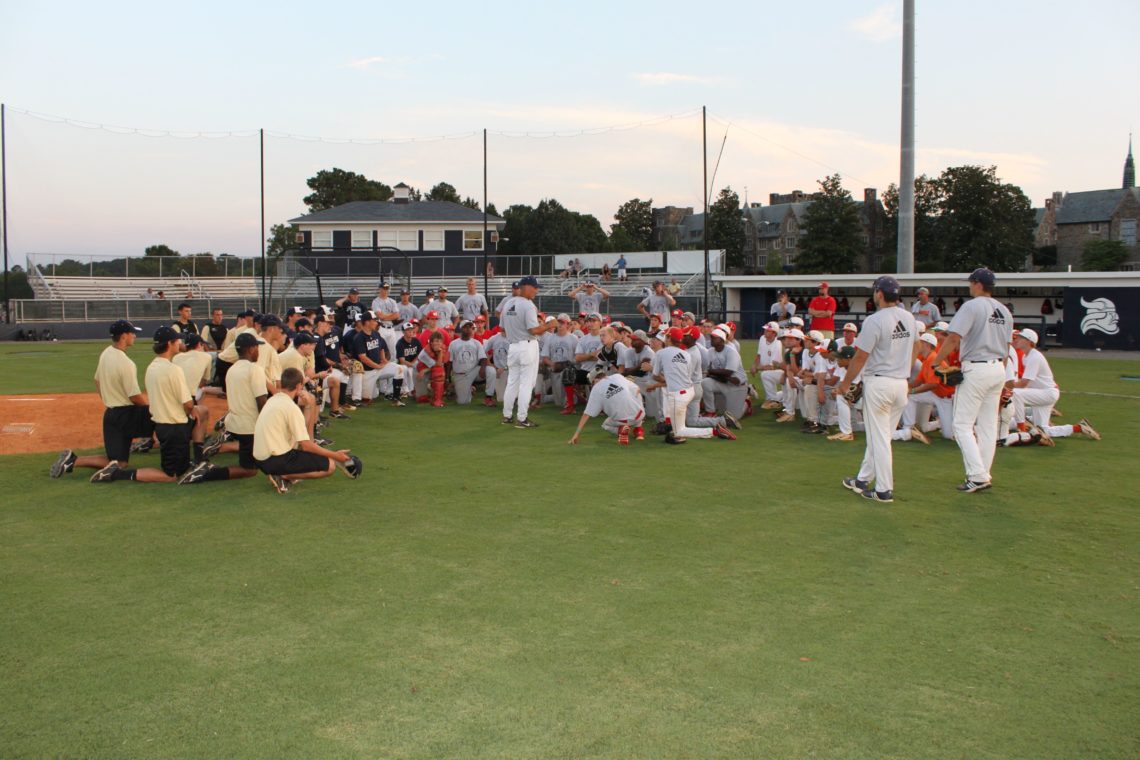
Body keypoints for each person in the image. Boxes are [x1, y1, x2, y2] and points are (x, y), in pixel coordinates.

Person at [88, 327, 219, 485]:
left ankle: (190, 457)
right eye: (176, 340)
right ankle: (118, 473)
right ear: (169, 344)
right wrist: (191, 411)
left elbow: (98, 381)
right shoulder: (172, 369)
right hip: (171, 425)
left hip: (146, 420)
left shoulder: (151, 366)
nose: (179, 343)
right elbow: (187, 403)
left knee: (123, 459)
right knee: (171, 475)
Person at [835, 276, 920, 503]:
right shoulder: (909, 317)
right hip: (900, 383)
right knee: (880, 437)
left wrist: (845, 384)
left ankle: (883, 489)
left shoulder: (875, 320)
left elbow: (861, 356)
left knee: (879, 439)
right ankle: (863, 479)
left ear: (879, 294)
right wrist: (905, 368)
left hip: (880, 383)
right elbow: (917, 346)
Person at [932, 268, 1013, 494]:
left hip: (976, 367)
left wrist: (936, 362)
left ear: (977, 284)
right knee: (988, 426)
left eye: (971, 282)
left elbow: (954, 337)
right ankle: (982, 473)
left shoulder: (971, 306)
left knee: (961, 425)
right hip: (997, 367)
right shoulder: (1004, 310)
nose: (970, 286)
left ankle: (977, 475)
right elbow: (1007, 348)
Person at [51, 320, 154, 479]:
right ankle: (154, 445)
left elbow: (97, 381)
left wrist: (107, 398)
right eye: (132, 333)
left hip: (111, 414)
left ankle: (73, 460)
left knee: (119, 464)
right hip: (127, 415)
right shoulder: (127, 363)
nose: (134, 336)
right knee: (160, 416)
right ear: (124, 336)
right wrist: (149, 409)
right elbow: (134, 396)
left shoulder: (106, 352)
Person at [254, 368, 360, 494]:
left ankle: (282, 474)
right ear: (299, 386)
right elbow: (307, 445)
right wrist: (335, 456)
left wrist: (308, 406)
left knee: (300, 445)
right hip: (274, 459)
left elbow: (304, 435)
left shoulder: (274, 399)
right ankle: (284, 476)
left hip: (260, 458)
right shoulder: (291, 408)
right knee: (330, 466)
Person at [648, 327, 735, 444]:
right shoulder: (686, 354)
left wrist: (663, 379)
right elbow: (685, 376)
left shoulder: (661, 353)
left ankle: (715, 431)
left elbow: (655, 375)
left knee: (680, 430)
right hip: (689, 391)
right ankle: (675, 431)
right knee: (684, 423)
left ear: (669, 339)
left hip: (678, 395)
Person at [500, 275, 556, 427]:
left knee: (512, 383)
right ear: (526, 287)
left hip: (512, 346)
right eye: (535, 287)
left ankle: (507, 416)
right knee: (526, 384)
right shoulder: (528, 305)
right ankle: (522, 418)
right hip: (527, 345)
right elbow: (534, 330)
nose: (537, 291)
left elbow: (502, 328)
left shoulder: (508, 303)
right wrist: (549, 325)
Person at [568, 368, 646, 445]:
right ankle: (639, 430)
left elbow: (587, 414)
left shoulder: (596, 389)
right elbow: (637, 389)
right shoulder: (617, 376)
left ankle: (621, 431)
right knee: (635, 393)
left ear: (594, 380)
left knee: (605, 425)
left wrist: (576, 434)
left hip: (624, 421)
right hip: (640, 414)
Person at [752, 322, 785, 410]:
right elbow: (759, 355)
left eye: (767, 330)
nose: (765, 331)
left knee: (765, 374)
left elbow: (773, 366)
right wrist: (754, 365)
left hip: (779, 371)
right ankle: (775, 398)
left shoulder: (777, 344)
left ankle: (773, 400)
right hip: (767, 370)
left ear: (774, 333)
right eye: (765, 329)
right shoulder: (762, 338)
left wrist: (757, 368)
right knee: (765, 374)